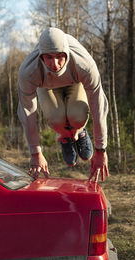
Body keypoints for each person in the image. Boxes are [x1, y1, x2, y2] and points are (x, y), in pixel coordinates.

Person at [17, 27, 109, 182]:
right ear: (41, 56)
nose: (55, 64)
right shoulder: (29, 72)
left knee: (77, 116)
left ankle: (79, 132)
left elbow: (98, 106)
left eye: (60, 56)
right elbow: (27, 112)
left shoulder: (85, 65)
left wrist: (101, 150)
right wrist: (35, 153)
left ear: (66, 53)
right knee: (56, 119)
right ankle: (66, 137)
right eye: (49, 57)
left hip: (75, 80)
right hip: (46, 85)